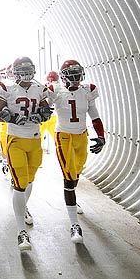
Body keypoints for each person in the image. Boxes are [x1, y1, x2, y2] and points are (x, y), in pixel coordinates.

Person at [0, 57, 52, 251]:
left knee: (30, 180)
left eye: (28, 69)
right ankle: (21, 231)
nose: (25, 73)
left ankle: (22, 209)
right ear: (15, 72)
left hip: (35, 139)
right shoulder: (7, 89)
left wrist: (42, 114)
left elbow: (46, 112)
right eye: (22, 70)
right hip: (15, 139)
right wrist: (12, 117)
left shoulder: (40, 88)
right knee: (20, 183)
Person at [47, 59, 105, 243]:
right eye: (71, 74)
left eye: (77, 73)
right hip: (63, 136)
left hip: (81, 135)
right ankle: (74, 224)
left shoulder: (87, 90)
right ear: (64, 76)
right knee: (69, 176)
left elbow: (94, 115)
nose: (76, 78)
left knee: (77, 171)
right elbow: (44, 108)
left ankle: (72, 196)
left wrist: (101, 136)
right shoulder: (55, 90)